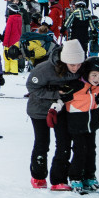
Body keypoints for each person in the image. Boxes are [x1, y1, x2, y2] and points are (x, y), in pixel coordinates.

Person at [29, 38, 85, 189]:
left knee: (64, 142)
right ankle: (38, 176)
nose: (76, 68)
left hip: (62, 109)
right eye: (72, 65)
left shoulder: (81, 69)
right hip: (40, 109)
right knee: (42, 142)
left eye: (79, 64)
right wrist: (56, 93)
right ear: (64, 60)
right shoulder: (44, 69)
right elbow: (32, 87)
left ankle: (59, 179)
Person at [62, 57, 99, 191]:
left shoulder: (98, 88)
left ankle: (89, 176)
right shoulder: (76, 86)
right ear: (87, 73)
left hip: (91, 125)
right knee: (80, 150)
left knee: (91, 150)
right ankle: (75, 177)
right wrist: (54, 108)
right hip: (77, 125)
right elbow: (61, 97)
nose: (97, 79)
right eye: (94, 75)